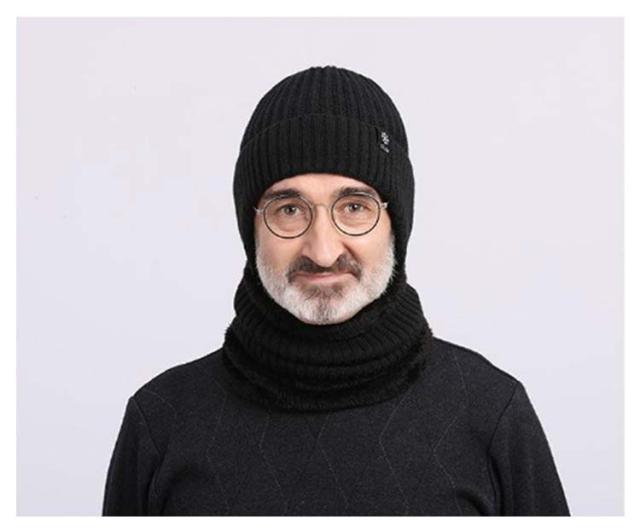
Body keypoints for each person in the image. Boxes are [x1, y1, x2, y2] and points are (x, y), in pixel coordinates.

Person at [102, 65, 571, 516]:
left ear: (396, 224)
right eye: (289, 210)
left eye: (354, 207)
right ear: (251, 228)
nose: (323, 251)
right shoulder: (163, 421)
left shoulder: (489, 412)